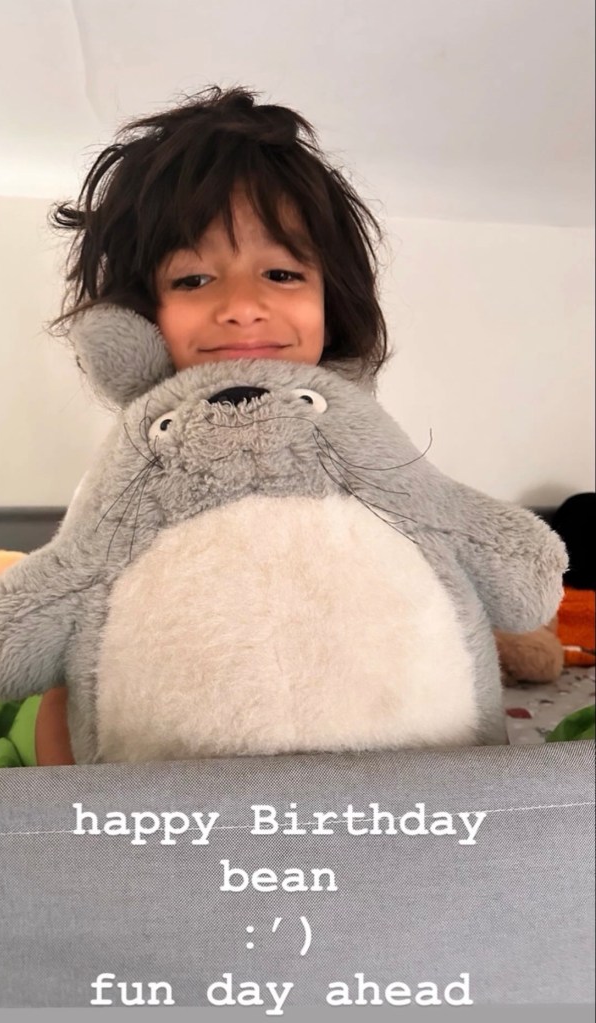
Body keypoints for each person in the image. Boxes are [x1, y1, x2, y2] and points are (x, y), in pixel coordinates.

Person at [46, 84, 392, 763]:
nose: (242, 307)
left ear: (333, 302)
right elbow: (71, 631)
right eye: (193, 280)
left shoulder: (365, 444)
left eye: (282, 273)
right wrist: (74, 801)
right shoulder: (133, 464)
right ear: (141, 317)